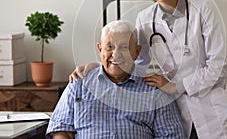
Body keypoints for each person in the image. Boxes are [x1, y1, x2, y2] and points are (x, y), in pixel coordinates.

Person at [70, 0, 227, 139]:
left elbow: (217, 66)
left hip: (218, 107)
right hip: (184, 112)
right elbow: (136, 62)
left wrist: (176, 86)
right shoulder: (144, 19)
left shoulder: (203, 8)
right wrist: (100, 66)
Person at [47, 20, 186, 139]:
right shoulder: (79, 83)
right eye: (109, 47)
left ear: (137, 52)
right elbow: (61, 129)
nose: (116, 55)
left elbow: (172, 135)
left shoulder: (154, 88)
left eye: (124, 47)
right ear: (100, 49)